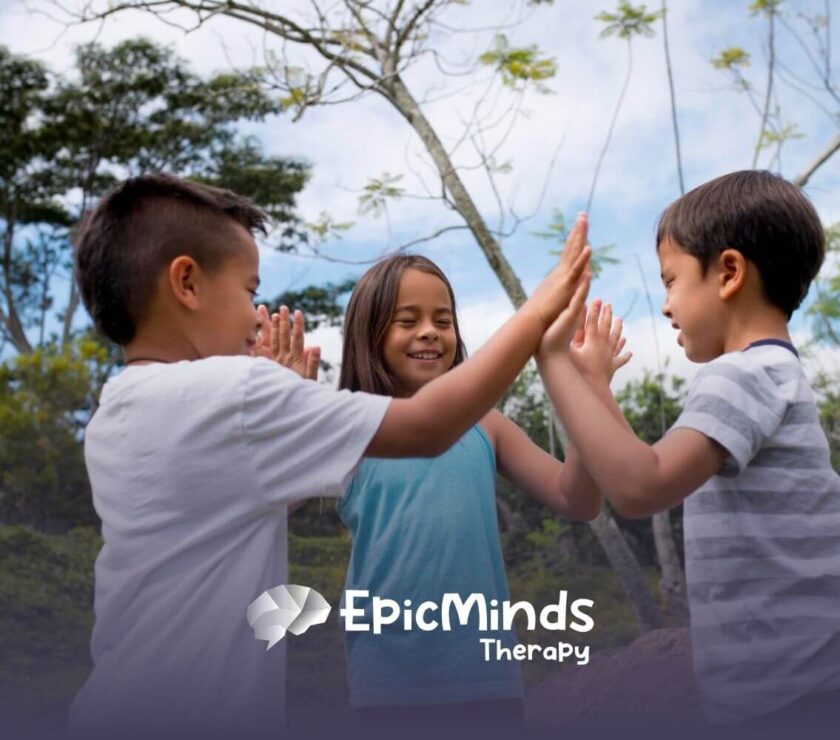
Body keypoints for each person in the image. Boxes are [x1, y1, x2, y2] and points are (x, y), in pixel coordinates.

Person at [66, 173, 591, 734]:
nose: (254, 317)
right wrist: (538, 316)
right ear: (187, 283)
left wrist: (273, 410)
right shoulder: (233, 394)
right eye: (249, 291)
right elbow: (427, 426)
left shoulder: (116, 413)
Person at [538, 171, 840, 727]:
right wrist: (598, 386)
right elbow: (646, 466)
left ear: (728, 272)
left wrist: (550, 357)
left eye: (671, 281)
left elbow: (639, 486)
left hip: (789, 701)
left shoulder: (744, 375)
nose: (667, 307)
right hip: (799, 686)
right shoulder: (775, 374)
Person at [335, 252, 630, 728]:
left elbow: (578, 498)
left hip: (487, 679)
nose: (430, 331)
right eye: (407, 320)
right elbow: (268, 503)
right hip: (387, 685)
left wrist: (591, 387)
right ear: (367, 335)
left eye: (443, 320)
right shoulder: (347, 428)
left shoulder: (486, 426)